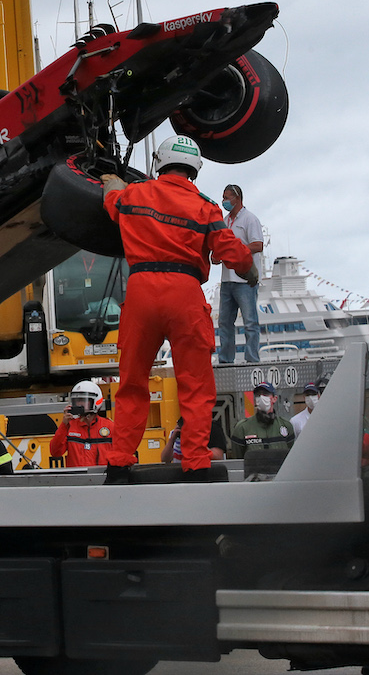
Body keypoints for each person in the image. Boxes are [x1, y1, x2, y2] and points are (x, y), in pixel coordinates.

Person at [99, 135, 255, 483]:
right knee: (196, 386)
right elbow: (231, 250)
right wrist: (249, 267)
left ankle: (120, 463)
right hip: (184, 292)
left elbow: (112, 202)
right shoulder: (205, 205)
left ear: (159, 162)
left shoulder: (135, 194)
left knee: (132, 383)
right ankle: (196, 463)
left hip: (141, 291)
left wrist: (111, 185)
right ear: (195, 169)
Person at [215, 184, 265, 364]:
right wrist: (218, 254)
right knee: (225, 323)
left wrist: (236, 249)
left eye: (227, 197)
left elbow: (258, 244)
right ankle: (226, 359)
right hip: (227, 279)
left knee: (250, 322)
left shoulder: (250, 219)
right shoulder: (225, 220)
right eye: (223, 197)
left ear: (237, 198)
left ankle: (252, 358)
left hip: (244, 280)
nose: (224, 201)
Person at [49, 380, 116, 467]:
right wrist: (63, 425)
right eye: (77, 401)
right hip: (77, 478)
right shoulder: (70, 426)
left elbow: (121, 453)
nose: (79, 404)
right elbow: (55, 452)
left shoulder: (109, 426)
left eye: (83, 400)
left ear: (95, 401)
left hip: (102, 478)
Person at [230, 382, 294, 458]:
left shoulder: (286, 426)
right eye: (258, 395)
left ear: (274, 398)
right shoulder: (243, 428)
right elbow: (238, 460)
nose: (261, 397)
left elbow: (291, 456)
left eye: (265, 394)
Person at [160, 416, 229, 464]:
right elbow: (165, 459)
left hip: (206, 474)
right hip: (182, 474)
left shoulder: (213, 429)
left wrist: (196, 440)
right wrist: (172, 439)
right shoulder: (177, 433)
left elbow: (218, 457)